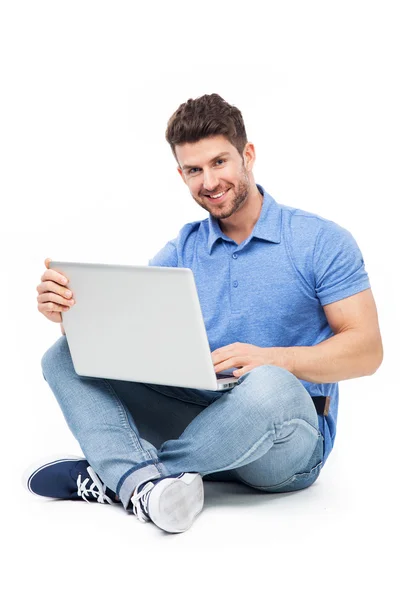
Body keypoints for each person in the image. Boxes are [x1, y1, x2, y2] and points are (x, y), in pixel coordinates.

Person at [24, 93, 383, 534]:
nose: (209, 181)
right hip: (203, 417)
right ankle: (152, 487)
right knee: (63, 355)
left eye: (219, 162)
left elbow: (367, 351)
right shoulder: (183, 248)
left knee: (268, 385)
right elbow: (128, 339)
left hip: (285, 438)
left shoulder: (319, 240)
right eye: (194, 170)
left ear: (247, 156)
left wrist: (276, 359)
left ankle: (124, 478)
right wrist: (68, 315)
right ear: (180, 174)